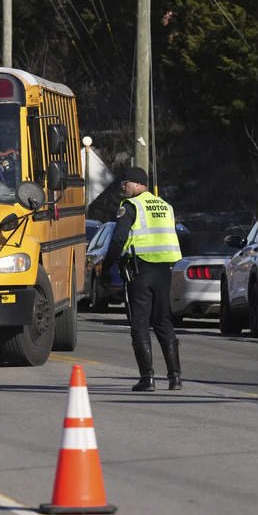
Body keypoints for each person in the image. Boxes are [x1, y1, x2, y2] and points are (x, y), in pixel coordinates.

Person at [100, 167, 184, 391]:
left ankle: (147, 378)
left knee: (139, 323)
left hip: (140, 271)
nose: (123, 187)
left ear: (138, 184)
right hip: (164, 270)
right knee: (163, 321)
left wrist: (107, 267)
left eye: (125, 183)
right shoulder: (166, 206)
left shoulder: (130, 206)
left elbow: (119, 239)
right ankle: (175, 377)